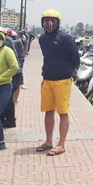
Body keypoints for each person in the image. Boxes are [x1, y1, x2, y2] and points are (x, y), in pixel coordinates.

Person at [37, 9, 80, 157]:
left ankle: (61, 144)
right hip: (47, 79)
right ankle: (48, 141)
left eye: (52, 20)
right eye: (46, 20)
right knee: (48, 112)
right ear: (42, 23)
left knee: (62, 112)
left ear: (58, 23)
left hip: (63, 81)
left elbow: (75, 59)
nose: (49, 23)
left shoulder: (65, 38)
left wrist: (67, 71)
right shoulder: (42, 39)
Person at [0, 28, 25, 127]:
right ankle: (7, 120)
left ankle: (9, 120)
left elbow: (18, 59)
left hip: (13, 73)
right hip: (15, 72)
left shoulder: (8, 41)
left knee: (8, 97)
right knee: (8, 97)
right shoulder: (16, 41)